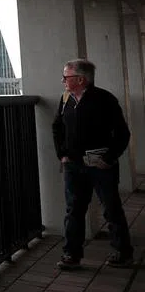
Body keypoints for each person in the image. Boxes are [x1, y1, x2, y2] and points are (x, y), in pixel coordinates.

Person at [52, 59, 134, 270]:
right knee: (74, 211)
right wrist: (62, 154)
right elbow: (57, 127)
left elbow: (122, 133)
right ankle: (71, 254)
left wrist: (108, 158)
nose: (62, 80)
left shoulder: (105, 100)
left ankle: (123, 253)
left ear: (81, 79)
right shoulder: (65, 99)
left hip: (100, 166)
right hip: (73, 165)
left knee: (111, 209)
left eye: (66, 77)